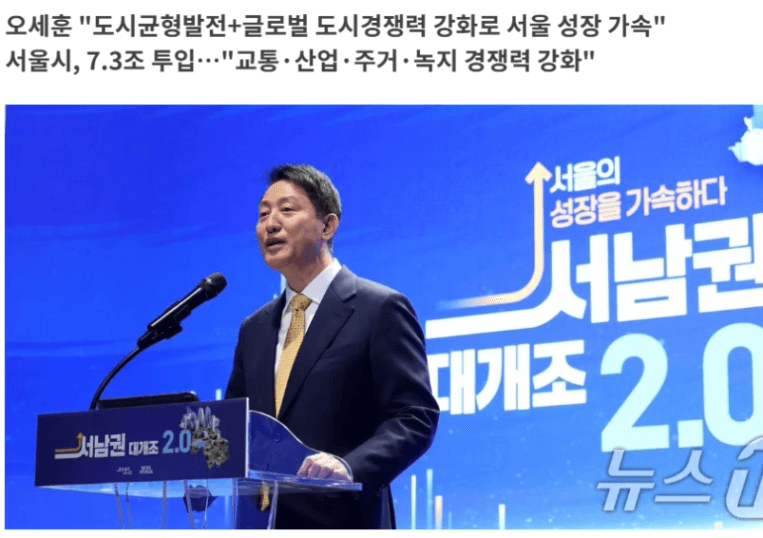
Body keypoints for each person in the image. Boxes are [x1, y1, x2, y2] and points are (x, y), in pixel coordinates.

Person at [224, 164, 439, 528]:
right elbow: (236, 428)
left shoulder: (378, 308)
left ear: (327, 226)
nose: (270, 225)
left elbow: (414, 416)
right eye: (263, 214)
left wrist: (349, 467)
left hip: (344, 518)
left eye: (286, 210)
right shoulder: (254, 329)